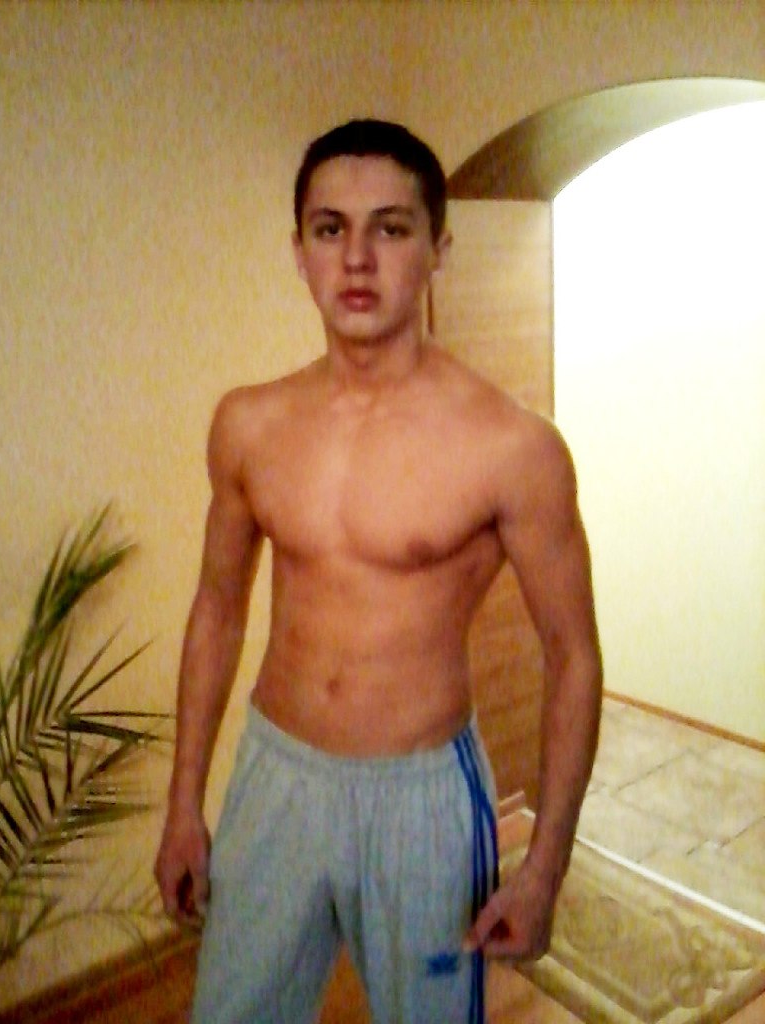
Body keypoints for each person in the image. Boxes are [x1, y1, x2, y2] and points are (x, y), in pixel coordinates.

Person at [154, 118, 602, 1024]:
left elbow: (574, 657)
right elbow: (217, 610)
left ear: (438, 248)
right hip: (275, 777)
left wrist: (546, 867)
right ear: (300, 251)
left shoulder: (513, 448)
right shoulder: (248, 424)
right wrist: (183, 804)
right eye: (331, 229)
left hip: (422, 799)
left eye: (391, 228)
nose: (357, 259)